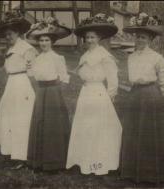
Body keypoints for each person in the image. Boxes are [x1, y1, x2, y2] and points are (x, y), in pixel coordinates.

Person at [120, 12, 164, 185]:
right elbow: (131, 77)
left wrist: (156, 96)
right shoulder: (131, 56)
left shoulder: (156, 57)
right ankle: (132, 170)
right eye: (138, 37)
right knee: (134, 130)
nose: (140, 40)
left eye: (144, 37)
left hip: (151, 95)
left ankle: (153, 171)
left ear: (150, 39)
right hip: (135, 94)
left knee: (150, 133)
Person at [66, 13, 122, 175]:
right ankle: (86, 160)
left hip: (98, 93)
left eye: (92, 37)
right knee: (86, 126)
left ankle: (100, 162)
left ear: (99, 38)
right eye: (87, 37)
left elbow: (112, 79)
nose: (89, 40)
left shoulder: (104, 55)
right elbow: (80, 73)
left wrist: (111, 96)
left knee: (98, 127)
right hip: (86, 92)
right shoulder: (85, 55)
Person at [0, 11, 38, 169]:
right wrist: (1, 63)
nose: (8, 37)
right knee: (9, 117)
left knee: (21, 119)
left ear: (18, 33)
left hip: (22, 85)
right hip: (11, 84)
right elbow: (8, 68)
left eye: (10, 34)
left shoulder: (27, 48)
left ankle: (22, 155)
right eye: (6, 35)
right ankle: (10, 151)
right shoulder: (10, 48)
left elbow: (32, 70)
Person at [25, 17, 71, 172]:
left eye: (47, 40)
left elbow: (64, 77)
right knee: (40, 122)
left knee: (53, 125)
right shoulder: (37, 58)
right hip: (41, 92)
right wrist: (29, 66)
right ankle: (39, 160)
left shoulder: (58, 58)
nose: (44, 43)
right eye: (41, 40)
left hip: (53, 93)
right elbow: (33, 75)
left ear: (52, 42)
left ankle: (54, 161)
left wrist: (58, 94)